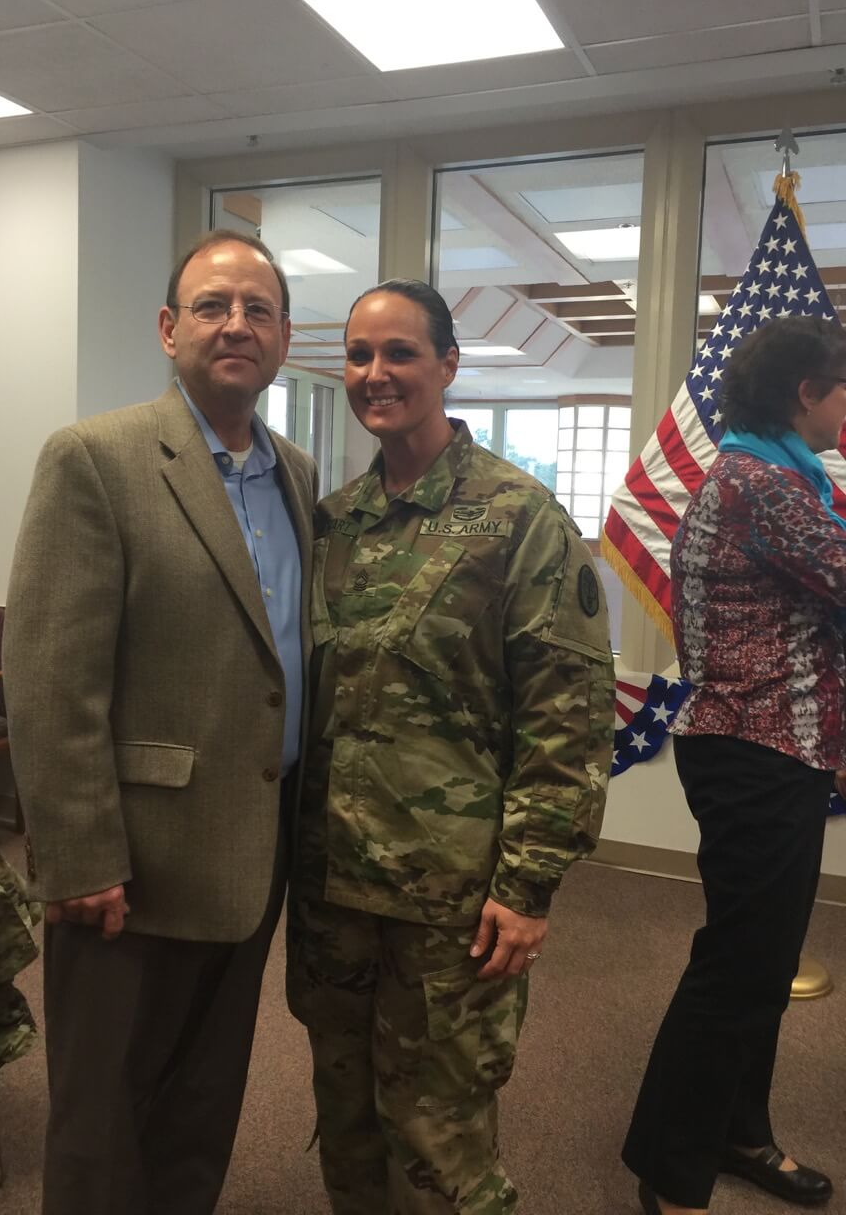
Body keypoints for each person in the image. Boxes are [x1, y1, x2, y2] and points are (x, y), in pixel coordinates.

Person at [3, 230, 317, 1215]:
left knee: (203, 1100)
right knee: (106, 1116)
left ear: (283, 336)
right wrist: (79, 852)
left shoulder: (297, 474)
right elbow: (53, 674)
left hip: (253, 851)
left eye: (258, 308)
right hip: (131, 868)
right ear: (169, 327)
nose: (237, 324)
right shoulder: (97, 458)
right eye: (215, 305)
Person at [286, 278, 615, 1214]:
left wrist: (528, 884)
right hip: (332, 887)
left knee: (440, 1140)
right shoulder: (334, 522)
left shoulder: (518, 519)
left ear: (448, 366)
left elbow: (570, 714)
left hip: (452, 901)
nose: (376, 374)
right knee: (346, 1121)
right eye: (358, 356)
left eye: (400, 354)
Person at [623, 316, 846, 1215]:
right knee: (736, 970)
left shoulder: (782, 476)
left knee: (762, 963)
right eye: (842, 388)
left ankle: (738, 1133)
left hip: (780, 749)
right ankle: (668, 1172)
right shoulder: (762, 484)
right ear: (806, 393)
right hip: (754, 753)